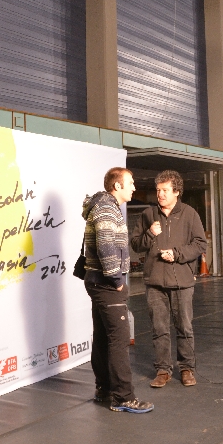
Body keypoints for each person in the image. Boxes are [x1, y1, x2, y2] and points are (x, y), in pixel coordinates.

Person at [82, 167, 153, 414]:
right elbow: (105, 246)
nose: (134, 187)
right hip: (106, 284)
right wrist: (116, 279)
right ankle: (123, 397)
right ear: (117, 186)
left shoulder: (107, 207)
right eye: (130, 183)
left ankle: (104, 389)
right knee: (119, 340)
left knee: (103, 336)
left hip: (98, 282)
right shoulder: (106, 208)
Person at [130, 170, 206, 388]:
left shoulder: (190, 214)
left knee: (184, 327)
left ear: (176, 192)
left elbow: (200, 244)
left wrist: (177, 254)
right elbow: (135, 245)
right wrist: (150, 234)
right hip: (155, 282)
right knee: (159, 328)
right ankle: (163, 370)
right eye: (158, 190)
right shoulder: (148, 214)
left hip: (182, 281)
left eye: (165, 190)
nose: (160, 194)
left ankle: (187, 368)